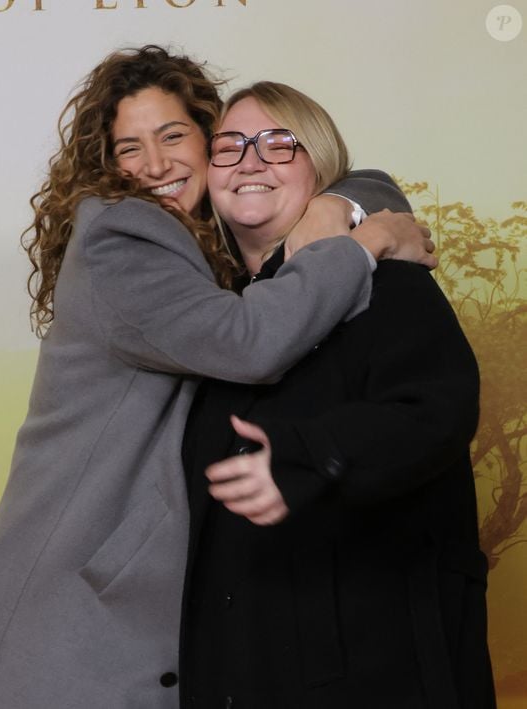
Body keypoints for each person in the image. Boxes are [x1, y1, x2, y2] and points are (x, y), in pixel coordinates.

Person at [0, 47, 433, 709]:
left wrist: (342, 209)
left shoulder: (207, 238)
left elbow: (363, 181)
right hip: (69, 617)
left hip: (142, 613)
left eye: (174, 135)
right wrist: (360, 244)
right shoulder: (122, 239)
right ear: (107, 164)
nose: (155, 164)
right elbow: (249, 342)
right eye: (130, 146)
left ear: (214, 143)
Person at [180, 82, 496, 709]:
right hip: (248, 671)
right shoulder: (218, 321)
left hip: (375, 672)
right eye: (230, 146)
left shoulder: (387, 280)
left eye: (278, 144)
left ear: (321, 170)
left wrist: (311, 455)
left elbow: (439, 409)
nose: (250, 160)